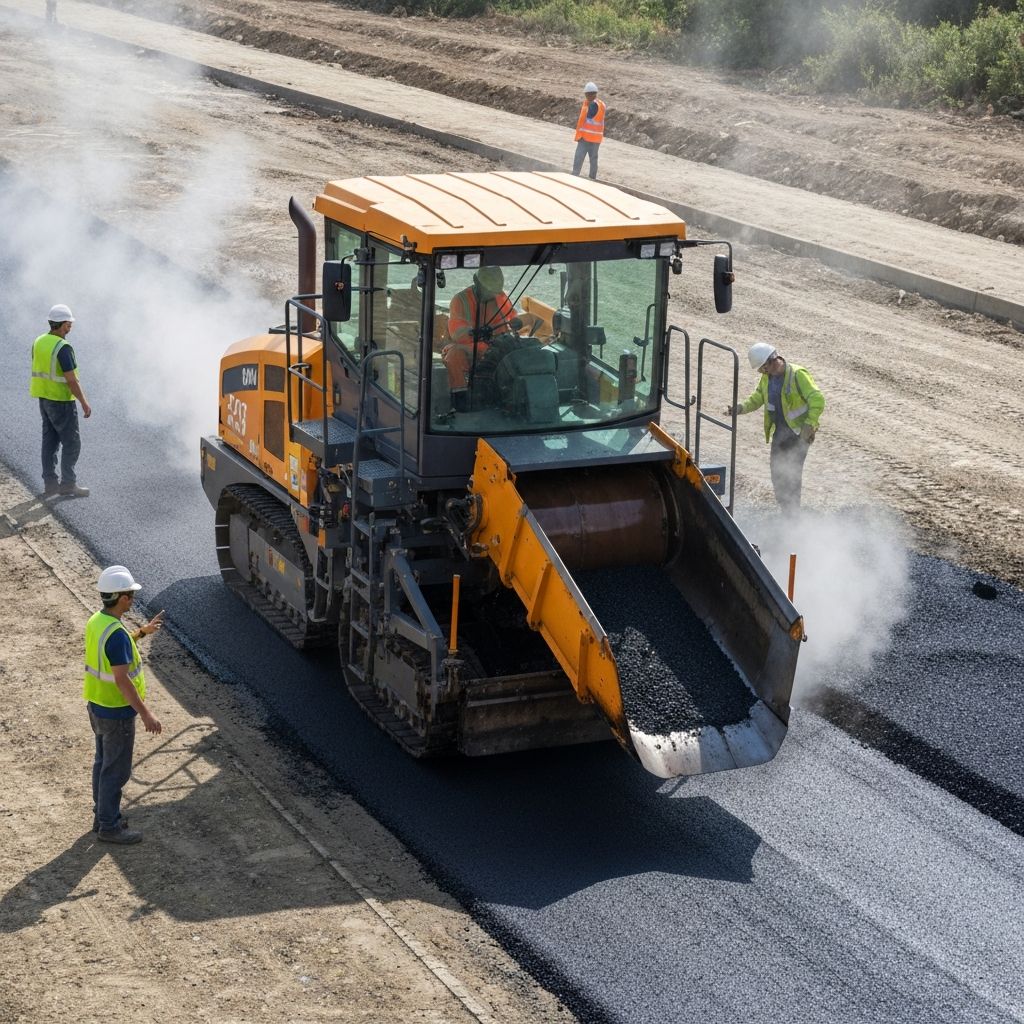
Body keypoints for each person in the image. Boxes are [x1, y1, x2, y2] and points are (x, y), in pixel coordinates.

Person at [84, 565, 165, 844]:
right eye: (130, 595)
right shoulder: (116, 634)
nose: (132, 599)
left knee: (102, 763)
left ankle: (102, 815)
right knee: (116, 770)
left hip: (97, 705)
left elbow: (114, 651)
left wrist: (142, 633)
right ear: (121, 599)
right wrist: (146, 714)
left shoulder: (98, 621)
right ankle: (109, 826)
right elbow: (122, 679)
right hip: (117, 712)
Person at [726, 342, 825, 516]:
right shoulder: (767, 378)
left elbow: (817, 399)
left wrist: (809, 424)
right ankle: (786, 510)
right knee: (777, 473)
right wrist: (740, 409)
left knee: (792, 475)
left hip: (799, 434)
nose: (761, 372)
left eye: (762, 369)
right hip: (780, 433)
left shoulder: (797, 374)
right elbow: (757, 398)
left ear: (770, 361)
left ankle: (793, 515)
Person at [444, 266, 530, 407]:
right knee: (454, 355)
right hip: (471, 346)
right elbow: (457, 334)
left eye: (494, 291)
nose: (492, 294)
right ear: (476, 282)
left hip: (499, 345)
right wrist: (475, 332)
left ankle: (517, 398)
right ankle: (460, 401)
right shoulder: (460, 300)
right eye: (488, 290)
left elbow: (512, 316)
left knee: (525, 351)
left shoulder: (500, 296)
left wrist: (516, 322)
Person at [30, 304, 91, 498]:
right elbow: (71, 380)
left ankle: (50, 485)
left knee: (49, 442)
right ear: (62, 324)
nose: (70, 327)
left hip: (44, 398)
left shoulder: (39, 341)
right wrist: (84, 402)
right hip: (61, 401)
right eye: (68, 324)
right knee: (72, 443)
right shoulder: (63, 348)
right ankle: (68, 484)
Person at [571, 82, 606, 181]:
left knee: (579, 157)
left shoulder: (593, 105)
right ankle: (592, 179)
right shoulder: (601, 104)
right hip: (596, 138)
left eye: (586, 95)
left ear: (590, 94)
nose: (585, 97)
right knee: (593, 159)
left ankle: (574, 175)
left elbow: (589, 116)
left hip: (586, 137)